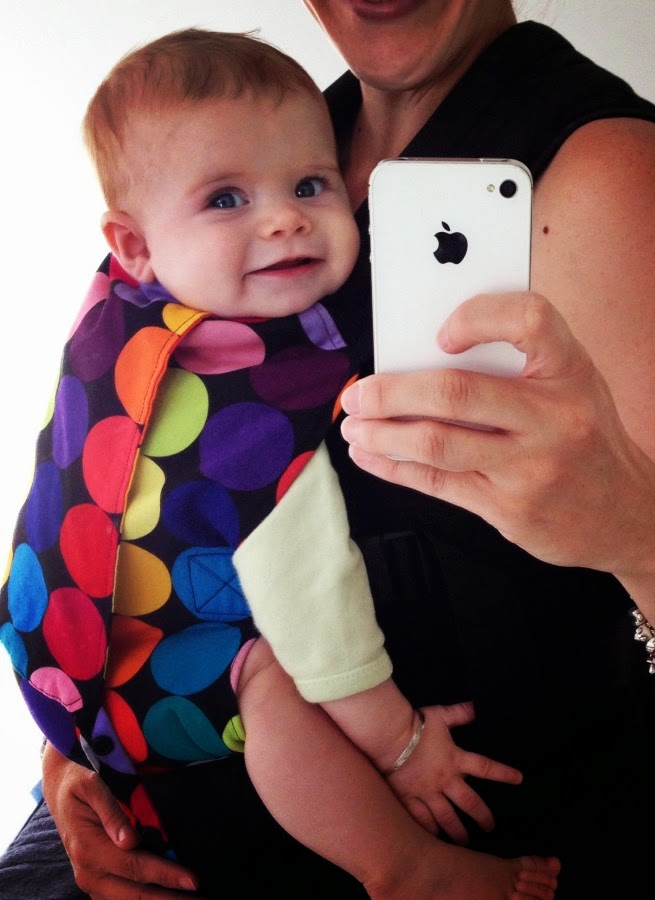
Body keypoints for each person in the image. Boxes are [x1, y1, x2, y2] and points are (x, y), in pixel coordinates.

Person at [0, 2, 655, 898]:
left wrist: (642, 529)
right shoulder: (280, 136)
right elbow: (125, 463)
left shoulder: (616, 180)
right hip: (164, 801)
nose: (282, 218)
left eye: (303, 193)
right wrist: (79, 742)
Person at [0, 26, 559, 900]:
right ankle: (403, 865)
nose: (285, 218)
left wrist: (70, 734)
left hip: (65, 660)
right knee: (274, 680)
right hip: (162, 685)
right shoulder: (261, 402)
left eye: (310, 185)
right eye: (226, 199)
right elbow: (313, 605)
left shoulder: (120, 310)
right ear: (134, 243)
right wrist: (402, 743)